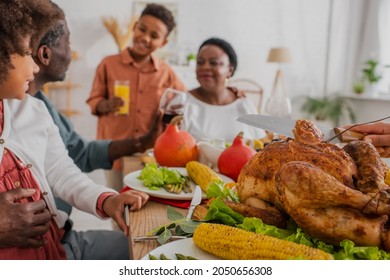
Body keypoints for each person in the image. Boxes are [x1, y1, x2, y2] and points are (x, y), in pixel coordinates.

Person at [0, 0, 149, 260]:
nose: (34, 66)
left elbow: (61, 171)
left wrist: (105, 199)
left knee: (151, 253)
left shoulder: (33, 111)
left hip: (56, 248)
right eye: (26, 52)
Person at [86, 3, 186, 190]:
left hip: (150, 154)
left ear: (163, 43)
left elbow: (186, 100)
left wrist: (228, 90)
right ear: (134, 28)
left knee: (145, 206)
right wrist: (105, 105)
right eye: (142, 29)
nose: (145, 38)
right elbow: (93, 101)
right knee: (117, 203)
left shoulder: (166, 72)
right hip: (116, 151)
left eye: (154, 36)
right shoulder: (108, 64)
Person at [182, 37, 266, 143]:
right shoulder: (183, 103)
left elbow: (260, 145)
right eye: (200, 62)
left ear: (230, 70)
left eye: (213, 62)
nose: (205, 67)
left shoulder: (244, 103)